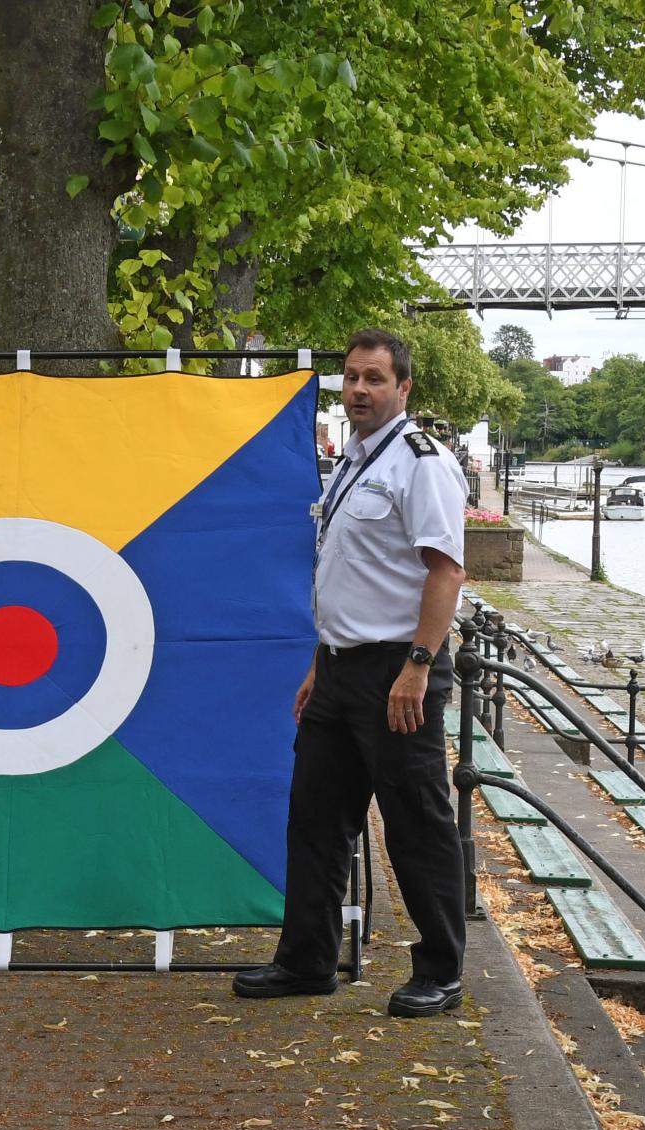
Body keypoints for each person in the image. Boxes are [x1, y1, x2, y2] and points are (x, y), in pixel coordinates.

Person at [233, 327, 469, 1018]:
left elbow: (446, 570)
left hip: (400, 670)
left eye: (374, 378)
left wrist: (418, 665)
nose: (359, 389)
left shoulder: (420, 463)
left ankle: (441, 970)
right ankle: (307, 958)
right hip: (338, 670)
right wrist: (319, 660)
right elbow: (348, 575)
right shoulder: (355, 461)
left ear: (404, 388)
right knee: (314, 817)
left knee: (415, 823)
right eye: (351, 377)